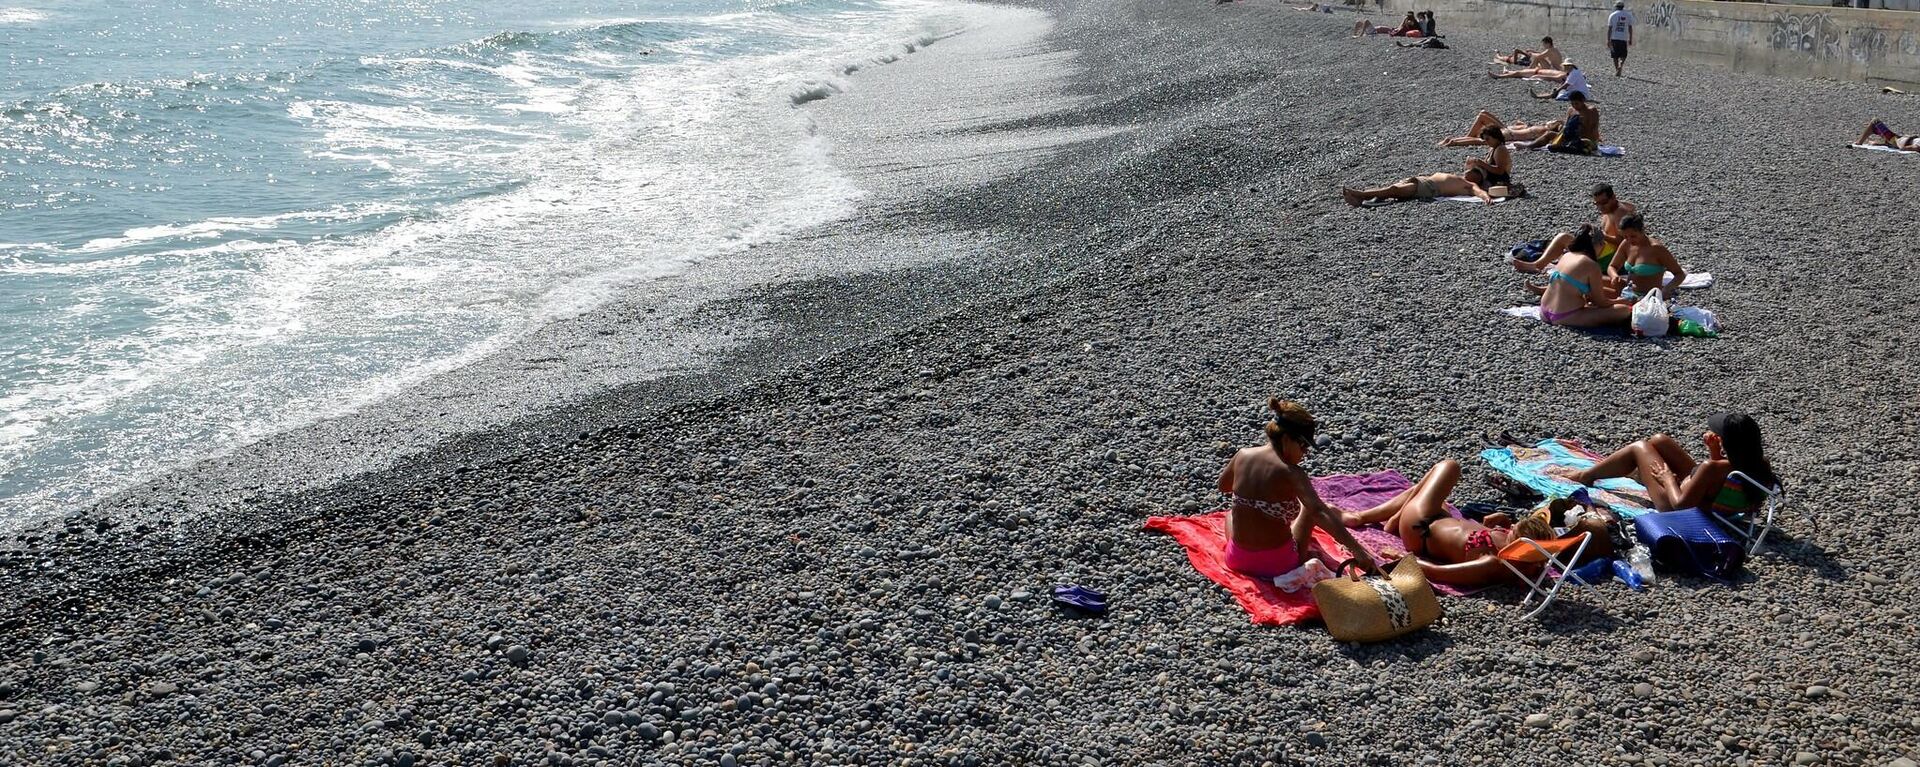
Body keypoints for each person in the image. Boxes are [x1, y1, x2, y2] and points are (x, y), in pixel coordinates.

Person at [1217, 399, 1381, 578]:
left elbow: (1223, 486)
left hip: (1236, 560)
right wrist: (1358, 550)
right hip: (1279, 565)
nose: (1305, 453)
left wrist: (1253, 491)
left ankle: (1247, 551)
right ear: (1286, 439)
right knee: (1309, 510)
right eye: (1303, 446)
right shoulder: (1291, 472)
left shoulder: (1242, 454)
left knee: (1231, 514)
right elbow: (1319, 511)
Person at [1337, 460, 1561, 586]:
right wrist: (1494, 523)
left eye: (1511, 532)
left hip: (1421, 527)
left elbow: (1438, 572)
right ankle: (1398, 515)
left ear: (1519, 546)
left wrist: (1400, 559)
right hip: (1440, 518)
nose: (1509, 529)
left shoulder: (1492, 563)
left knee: (1448, 467)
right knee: (1435, 496)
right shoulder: (1528, 560)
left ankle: (1364, 517)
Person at [1566, 413, 1782, 513]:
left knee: (1639, 447)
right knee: (1660, 441)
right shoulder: (1758, 464)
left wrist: (1668, 480)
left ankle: (1586, 476)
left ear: (1728, 443)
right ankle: (1635, 470)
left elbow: (1680, 505)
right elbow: (1723, 485)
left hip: (1673, 504)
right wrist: (1715, 452)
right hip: (1708, 499)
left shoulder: (1711, 468)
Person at [1513, 183, 1636, 274]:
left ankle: (1538, 265)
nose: (1600, 207)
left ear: (1613, 197)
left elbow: (1624, 242)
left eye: (1603, 202)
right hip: (1602, 249)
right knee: (1568, 239)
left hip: (1610, 257)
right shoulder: (1611, 207)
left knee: (1564, 238)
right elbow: (1633, 206)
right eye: (1596, 203)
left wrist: (1601, 235)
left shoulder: (1620, 213)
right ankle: (1542, 264)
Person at [1536, 225, 1632, 327]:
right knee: (1623, 310)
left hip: (1544, 311)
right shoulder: (1591, 265)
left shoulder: (1566, 256)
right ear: (1597, 245)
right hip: (1564, 316)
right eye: (1603, 245)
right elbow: (1601, 302)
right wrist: (1622, 301)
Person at [1613, 212, 1684, 300]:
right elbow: (1613, 266)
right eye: (1625, 236)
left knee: (1604, 306)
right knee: (1595, 287)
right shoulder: (1626, 244)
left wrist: (1666, 289)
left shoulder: (1656, 249)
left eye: (1633, 236)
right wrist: (1614, 276)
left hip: (1648, 297)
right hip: (1627, 292)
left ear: (1642, 230)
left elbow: (1680, 274)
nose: (1629, 240)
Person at [1341, 172, 1518, 206]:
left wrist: (1486, 197)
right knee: (1392, 190)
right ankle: (1362, 200)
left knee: (1393, 189)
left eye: (1473, 172)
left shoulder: (1470, 185)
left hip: (1429, 187)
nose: (1468, 171)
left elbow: (1478, 192)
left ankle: (1360, 194)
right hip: (1423, 180)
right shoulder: (1462, 177)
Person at [1520, 90, 1601, 154]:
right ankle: (1530, 146)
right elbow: (1567, 126)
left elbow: (1593, 128)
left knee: (1574, 141)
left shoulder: (1591, 111)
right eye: (1572, 103)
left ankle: (1562, 146)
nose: (1574, 106)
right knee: (1549, 134)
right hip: (1571, 138)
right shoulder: (1571, 110)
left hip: (1586, 139)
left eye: (1576, 103)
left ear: (1583, 101)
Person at [1439, 111, 1560, 146]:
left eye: (1552, 121)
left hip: (1508, 133)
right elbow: (1525, 130)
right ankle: (1453, 141)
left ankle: (1454, 141)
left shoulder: (1544, 130)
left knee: (1481, 140)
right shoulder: (1539, 129)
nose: (1550, 120)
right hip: (1508, 132)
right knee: (1481, 138)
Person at [1607, 1, 1635, 77]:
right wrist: (1630, 38)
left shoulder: (1612, 15)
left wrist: (1608, 40)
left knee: (1615, 55)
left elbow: (1610, 28)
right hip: (1624, 38)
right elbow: (1630, 27)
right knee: (1623, 54)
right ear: (1623, 7)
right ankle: (1621, 64)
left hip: (1614, 38)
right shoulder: (1628, 15)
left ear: (1616, 7)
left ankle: (1617, 69)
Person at [1855, 119, 1920, 151]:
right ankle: (1880, 143)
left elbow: (1906, 148)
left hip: (1896, 140)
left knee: (1875, 121)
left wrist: (1900, 146)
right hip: (1898, 139)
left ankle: (1859, 142)